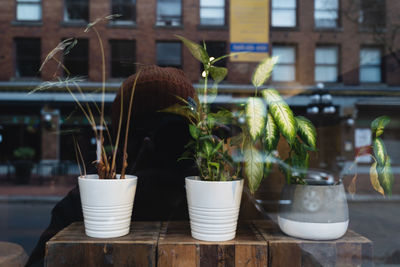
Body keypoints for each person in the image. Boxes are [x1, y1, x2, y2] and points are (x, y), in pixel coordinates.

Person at [26, 65, 198, 266]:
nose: (162, 145)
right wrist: (123, 196)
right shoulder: (94, 193)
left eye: (176, 134)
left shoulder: (213, 189)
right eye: (142, 129)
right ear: (120, 136)